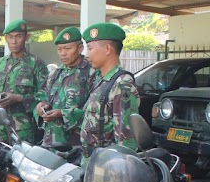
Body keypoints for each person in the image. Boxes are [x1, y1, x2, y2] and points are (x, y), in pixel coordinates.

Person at [80, 23, 139, 166]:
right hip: (91, 163)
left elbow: (126, 142)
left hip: (107, 169)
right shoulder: (102, 80)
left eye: (90, 48)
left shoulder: (122, 84)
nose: (87, 55)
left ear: (107, 49)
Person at [0, 19, 48, 143]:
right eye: (10, 37)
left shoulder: (36, 64)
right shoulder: (0, 63)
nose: (14, 42)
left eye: (18, 36)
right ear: (6, 38)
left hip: (24, 127)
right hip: (0, 126)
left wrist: (19, 98)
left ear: (26, 37)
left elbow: (45, 96)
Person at [34, 27, 96, 148]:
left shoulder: (92, 73)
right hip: (50, 142)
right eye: (59, 49)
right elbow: (42, 96)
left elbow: (94, 112)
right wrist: (40, 106)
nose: (63, 53)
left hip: (75, 145)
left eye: (67, 48)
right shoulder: (55, 73)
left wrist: (63, 114)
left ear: (80, 48)